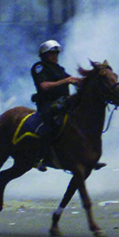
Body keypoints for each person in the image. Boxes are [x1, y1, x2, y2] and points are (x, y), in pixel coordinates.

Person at [30, 39, 80, 171]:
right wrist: (66, 81)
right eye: (51, 53)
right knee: (50, 125)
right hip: (48, 104)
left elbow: (72, 79)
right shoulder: (39, 67)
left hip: (64, 102)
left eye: (56, 53)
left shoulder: (59, 69)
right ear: (44, 55)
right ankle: (39, 157)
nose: (55, 56)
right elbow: (44, 86)